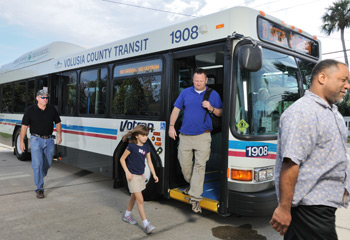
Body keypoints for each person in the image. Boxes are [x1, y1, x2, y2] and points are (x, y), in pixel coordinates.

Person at [270, 59, 350, 239]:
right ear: (322, 77)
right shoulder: (303, 112)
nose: (347, 86)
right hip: (309, 208)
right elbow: (290, 163)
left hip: (324, 205)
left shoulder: (331, 111)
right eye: (343, 79)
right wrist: (283, 208)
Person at [168, 68, 223, 213]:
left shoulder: (213, 94)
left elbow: (221, 112)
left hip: (203, 137)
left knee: (200, 166)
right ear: (193, 80)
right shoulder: (185, 92)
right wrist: (171, 126)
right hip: (185, 136)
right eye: (196, 80)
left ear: (206, 80)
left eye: (201, 81)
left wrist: (211, 108)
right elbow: (175, 110)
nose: (198, 83)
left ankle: (195, 199)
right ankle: (193, 186)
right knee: (185, 166)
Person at [20, 89, 62, 199]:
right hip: (35, 140)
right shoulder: (30, 110)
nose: (45, 99)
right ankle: (39, 188)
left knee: (47, 163)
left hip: (49, 140)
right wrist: (21, 142)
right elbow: (24, 126)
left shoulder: (52, 110)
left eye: (47, 97)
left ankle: (40, 177)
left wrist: (59, 135)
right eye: (43, 97)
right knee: (37, 164)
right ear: (37, 98)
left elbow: (58, 122)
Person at [120, 125, 159, 234]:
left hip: (141, 176)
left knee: (134, 195)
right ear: (137, 136)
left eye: (146, 135)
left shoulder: (147, 147)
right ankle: (146, 224)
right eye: (143, 135)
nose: (145, 137)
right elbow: (122, 159)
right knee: (140, 200)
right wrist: (127, 172)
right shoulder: (131, 146)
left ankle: (127, 215)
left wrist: (154, 174)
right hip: (132, 177)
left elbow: (149, 162)